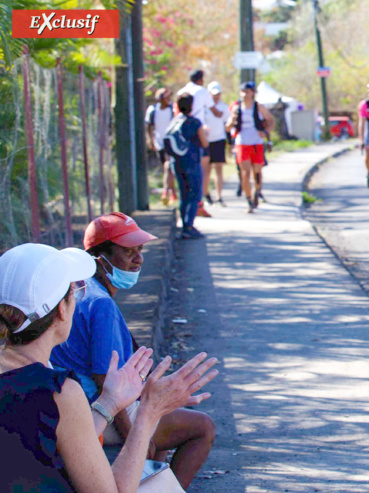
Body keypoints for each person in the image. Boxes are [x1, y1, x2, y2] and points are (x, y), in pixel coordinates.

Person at [0, 242, 218, 492]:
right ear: (62, 310)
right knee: (161, 484)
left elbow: (59, 438)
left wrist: (109, 402)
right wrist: (149, 412)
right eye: (76, 292)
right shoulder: (58, 392)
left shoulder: (29, 377)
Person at [50, 212, 217, 488]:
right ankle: (169, 487)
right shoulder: (101, 304)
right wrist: (135, 439)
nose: (138, 259)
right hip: (98, 411)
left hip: (78, 404)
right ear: (99, 257)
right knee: (203, 427)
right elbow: (107, 384)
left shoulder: (79, 290)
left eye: (139, 250)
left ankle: (157, 482)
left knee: (163, 416)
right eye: (128, 252)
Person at [226, 81, 275, 213]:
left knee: (257, 172)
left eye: (247, 91)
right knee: (245, 173)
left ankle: (257, 192)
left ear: (253, 93)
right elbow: (228, 127)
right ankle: (249, 200)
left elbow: (271, 121)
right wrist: (231, 121)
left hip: (256, 143)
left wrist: (265, 133)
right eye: (243, 91)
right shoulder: (236, 108)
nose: (245, 94)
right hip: (242, 143)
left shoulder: (258, 107)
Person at [168, 92, 209, 239]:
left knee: (183, 194)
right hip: (192, 162)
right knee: (195, 194)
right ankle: (188, 226)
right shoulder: (195, 122)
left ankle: (184, 225)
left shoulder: (174, 121)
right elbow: (204, 143)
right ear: (191, 106)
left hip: (177, 163)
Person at [180, 70, 219, 218]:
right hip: (197, 134)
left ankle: (188, 213)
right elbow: (213, 109)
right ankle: (198, 204)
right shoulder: (202, 91)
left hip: (182, 136)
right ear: (201, 80)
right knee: (201, 170)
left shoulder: (182, 91)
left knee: (183, 179)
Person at [144, 88, 177, 205]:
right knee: (168, 168)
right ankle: (172, 193)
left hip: (171, 142)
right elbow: (148, 126)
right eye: (166, 97)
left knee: (168, 167)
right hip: (159, 143)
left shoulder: (172, 109)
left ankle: (166, 192)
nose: (168, 99)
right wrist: (150, 140)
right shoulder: (153, 110)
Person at [204, 81, 231, 207]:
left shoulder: (224, 108)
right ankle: (206, 195)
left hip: (219, 141)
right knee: (206, 170)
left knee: (218, 169)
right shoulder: (204, 108)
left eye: (218, 94)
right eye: (214, 94)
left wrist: (230, 143)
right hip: (206, 141)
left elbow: (228, 126)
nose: (216, 96)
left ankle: (219, 196)